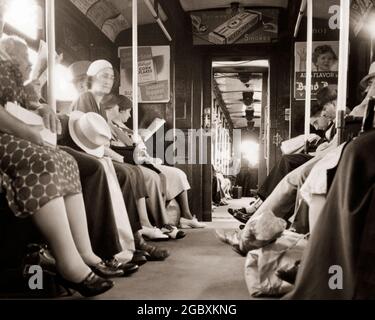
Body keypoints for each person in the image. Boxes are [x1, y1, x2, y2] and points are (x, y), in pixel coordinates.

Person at [0, 35, 114, 297]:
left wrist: (41, 107)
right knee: (44, 160)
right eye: (25, 62)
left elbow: (24, 99)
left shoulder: (13, 75)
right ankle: (68, 263)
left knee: (68, 160)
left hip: (12, 132)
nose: (28, 66)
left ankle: (83, 251)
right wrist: (27, 132)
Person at [70, 60, 171, 259]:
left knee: (130, 171)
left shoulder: (96, 103)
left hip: (96, 153)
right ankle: (131, 240)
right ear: (91, 78)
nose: (109, 80)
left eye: (111, 77)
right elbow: (87, 138)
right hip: (86, 155)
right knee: (124, 173)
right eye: (104, 75)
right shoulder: (86, 98)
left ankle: (136, 236)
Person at [102, 93, 206, 229]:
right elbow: (121, 149)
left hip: (139, 158)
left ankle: (186, 216)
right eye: (127, 112)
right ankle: (161, 222)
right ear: (118, 110)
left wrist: (139, 139)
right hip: (130, 160)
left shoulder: (121, 126)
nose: (129, 116)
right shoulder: (108, 126)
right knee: (158, 176)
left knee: (178, 173)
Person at [228, 98, 333, 221]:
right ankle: (258, 207)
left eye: (315, 122)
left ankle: (259, 210)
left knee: (287, 161)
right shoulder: (326, 131)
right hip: (320, 157)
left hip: (324, 159)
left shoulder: (336, 127)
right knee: (286, 163)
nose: (316, 126)